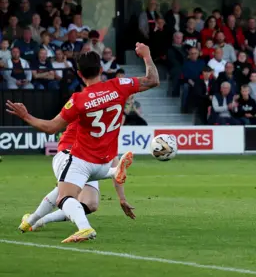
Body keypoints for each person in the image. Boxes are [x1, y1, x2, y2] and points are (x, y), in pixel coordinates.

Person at [9, 43, 159, 243]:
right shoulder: (119, 85)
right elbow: (153, 80)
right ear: (101, 69)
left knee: (64, 198)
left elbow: (51, 127)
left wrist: (26, 116)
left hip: (81, 159)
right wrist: (147, 55)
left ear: (79, 74)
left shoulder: (79, 100)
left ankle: (84, 228)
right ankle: (35, 220)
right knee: (78, 196)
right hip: (103, 162)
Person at [25, 120, 136, 232]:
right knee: (65, 193)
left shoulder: (106, 128)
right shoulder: (85, 110)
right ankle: (33, 221)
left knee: (90, 204)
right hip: (70, 153)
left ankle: (39, 220)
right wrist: (27, 116)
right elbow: (52, 126)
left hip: (89, 161)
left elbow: (113, 158)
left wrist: (122, 199)